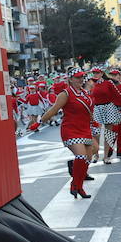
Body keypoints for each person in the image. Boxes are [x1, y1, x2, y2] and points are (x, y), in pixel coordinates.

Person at [36, 70, 97, 199]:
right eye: (77, 78)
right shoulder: (65, 94)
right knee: (81, 156)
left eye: (82, 77)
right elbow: (54, 109)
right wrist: (39, 122)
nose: (80, 80)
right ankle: (75, 185)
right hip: (71, 129)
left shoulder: (85, 93)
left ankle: (79, 186)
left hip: (85, 128)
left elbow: (90, 111)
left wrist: (94, 123)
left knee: (88, 158)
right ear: (70, 79)